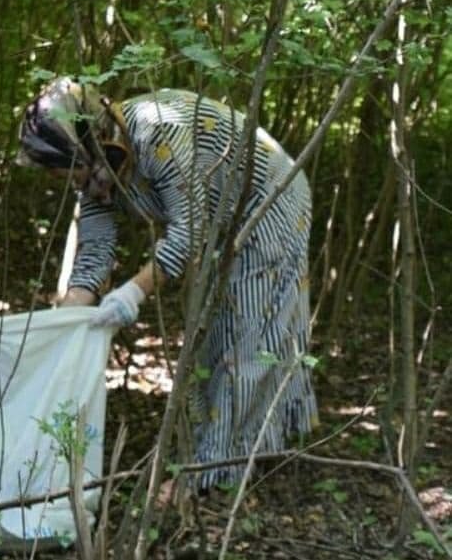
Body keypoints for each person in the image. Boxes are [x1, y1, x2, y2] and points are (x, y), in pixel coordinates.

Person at [17, 76, 318, 492]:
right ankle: (217, 451)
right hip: (219, 219)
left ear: (85, 142)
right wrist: (67, 326)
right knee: (211, 334)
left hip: (269, 198)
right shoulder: (97, 173)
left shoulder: (157, 130)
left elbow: (189, 230)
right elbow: (94, 255)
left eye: (62, 168)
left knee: (248, 329)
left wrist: (133, 291)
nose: (64, 180)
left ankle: (212, 477)